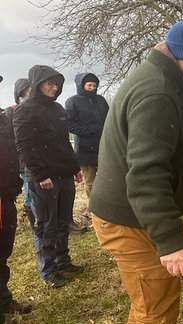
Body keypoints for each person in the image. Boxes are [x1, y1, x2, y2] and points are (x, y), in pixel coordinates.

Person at [89, 19, 183, 323]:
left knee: (160, 296)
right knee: (155, 309)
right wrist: (171, 241)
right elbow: (147, 175)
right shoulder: (158, 92)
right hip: (129, 218)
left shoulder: (161, 80)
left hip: (138, 214)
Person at [12, 65, 85, 288]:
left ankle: (63, 260)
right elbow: (24, 147)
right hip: (43, 179)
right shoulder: (25, 111)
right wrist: (40, 174)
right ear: (37, 83)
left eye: (57, 84)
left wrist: (75, 167)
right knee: (46, 224)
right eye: (49, 83)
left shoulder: (58, 108)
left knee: (63, 222)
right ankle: (48, 269)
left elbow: (64, 142)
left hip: (63, 174)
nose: (54, 87)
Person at [1, 75, 33, 322]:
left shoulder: (3, 118)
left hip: (6, 198)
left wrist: (14, 183)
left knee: (3, 253)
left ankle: (4, 300)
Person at [65, 72, 109, 233]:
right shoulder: (72, 102)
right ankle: (93, 208)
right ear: (81, 86)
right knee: (90, 180)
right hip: (85, 147)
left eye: (94, 85)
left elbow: (109, 117)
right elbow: (70, 124)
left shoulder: (101, 100)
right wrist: (87, 131)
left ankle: (105, 205)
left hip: (104, 145)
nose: (92, 88)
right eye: (89, 85)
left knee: (106, 177)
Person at [4, 79, 34, 231]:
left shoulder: (37, 110)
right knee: (29, 192)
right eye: (27, 91)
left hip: (37, 158)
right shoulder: (11, 112)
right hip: (22, 160)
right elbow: (10, 139)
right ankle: (35, 224)